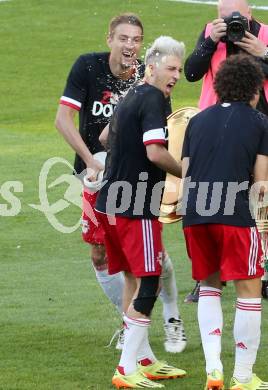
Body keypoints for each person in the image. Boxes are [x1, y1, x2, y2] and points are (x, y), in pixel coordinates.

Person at [55, 13, 186, 352]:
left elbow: (156, 137)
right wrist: (89, 160)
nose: (130, 45)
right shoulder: (87, 67)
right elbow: (63, 119)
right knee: (102, 255)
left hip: (131, 179)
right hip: (93, 173)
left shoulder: (150, 76)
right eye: (124, 38)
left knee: (149, 254)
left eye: (136, 39)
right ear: (109, 39)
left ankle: (171, 319)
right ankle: (130, 327)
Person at [96, 36, 187, 389]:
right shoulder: (152, 98)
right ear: (152, 66)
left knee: (133, 279)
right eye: (171, 68)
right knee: (149, 281)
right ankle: (125, 368)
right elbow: (154, 153)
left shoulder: (131, 95)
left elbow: (105, 138)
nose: (176, 75)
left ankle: (143, 359)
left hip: (110, 204)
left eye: (179, 69)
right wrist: (188, 173)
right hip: (136, 207)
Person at [182, 54, 268, 390]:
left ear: (219, 87)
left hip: (196, 217)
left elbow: (187, 177)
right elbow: (261, 184)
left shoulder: (197, 121)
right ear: (255, 90)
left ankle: (213, 369)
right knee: (249, 291)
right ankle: (243, 377)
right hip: (235, 217)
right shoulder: (260, 122)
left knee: (209, 287)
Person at [184, 0, 268, 301]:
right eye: (224, 17)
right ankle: (209, 276)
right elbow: (191, 72)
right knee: (217, 195)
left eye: (237, 18)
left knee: (262, 195)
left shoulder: (265, 35)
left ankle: (262, 267)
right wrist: (209, 42)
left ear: (250, 15)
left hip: (260, 122)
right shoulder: (211, 34)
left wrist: (263, 52)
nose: (232, 23)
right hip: (215, 125)